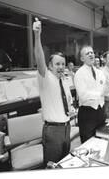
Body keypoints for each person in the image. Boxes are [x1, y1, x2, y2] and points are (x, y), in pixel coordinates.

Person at [33, 18, 75, 166]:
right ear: (49, 66)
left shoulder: (64, 80)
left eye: (63, 63)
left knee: (63, 164)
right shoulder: (45, 77)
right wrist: (37, 35)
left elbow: (67, 103)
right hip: (52, 131)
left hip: (66, 128)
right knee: (51, 168)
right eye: (57, 64)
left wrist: (72, 110)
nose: (61, 66)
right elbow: (39, 58)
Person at [74, 45, 109, 144]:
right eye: (87, 53)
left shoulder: (99, 72)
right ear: (82, 58)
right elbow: (83, 95)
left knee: (100, 140)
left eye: (92, 52)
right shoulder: (79, 74)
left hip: (101, 111)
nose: (91, 54)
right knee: (88, 143)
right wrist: (100, 93)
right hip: (87, 114)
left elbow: (105, 91)